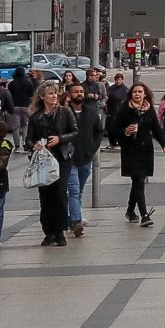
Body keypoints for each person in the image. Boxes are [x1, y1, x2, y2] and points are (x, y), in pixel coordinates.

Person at [26, 88, 78, 247]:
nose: (54, 96)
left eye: (55, 93)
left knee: (60, 193)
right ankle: (48, 231)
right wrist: (34, 145)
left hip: (62, 157)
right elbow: (28, 139)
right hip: (43, 160)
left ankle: (60, 231)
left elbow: (75, 131)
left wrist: (60, 138)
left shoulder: (65, 111)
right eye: (50, 93)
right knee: (46, 195)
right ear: (42, 97)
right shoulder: (36, 116)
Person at [114, 82, 161, 226]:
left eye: (140, 92)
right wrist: (125, 131)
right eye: (135, 92)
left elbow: (156, 129)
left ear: (145, 94)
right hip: (130, 150)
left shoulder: (149, 109)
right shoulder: (124, 109)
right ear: (131, 94)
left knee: (137, 183)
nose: (137, 94)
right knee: (139, 181)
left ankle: (130, 210)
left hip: (145, 150)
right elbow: (114, 130)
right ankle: (144, 215)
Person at [61, 81, 103, 236]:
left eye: (81, 91)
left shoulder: (91, 112)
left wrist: (93, 147)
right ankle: (76, 221)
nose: (79, 94)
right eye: (76, 91)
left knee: (78, 191)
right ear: (69, 94)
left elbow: (99, 131)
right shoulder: (64, 113)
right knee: (73, 189)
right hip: (69, 157)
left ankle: (69, 217)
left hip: (86, 157)